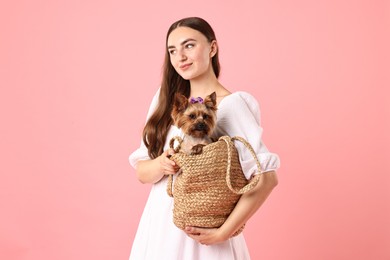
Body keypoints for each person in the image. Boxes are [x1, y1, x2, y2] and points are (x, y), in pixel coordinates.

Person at [128, 17, 280, 260]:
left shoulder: (231, 105)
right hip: (159, 228)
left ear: (212, 48)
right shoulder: (165, 100)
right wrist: (162, 163)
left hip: (204, 236)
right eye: (172, 51)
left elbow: (266, 178)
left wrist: (223, 233)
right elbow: (142, 172)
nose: (180, 57)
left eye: (189, 45)